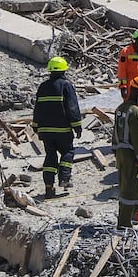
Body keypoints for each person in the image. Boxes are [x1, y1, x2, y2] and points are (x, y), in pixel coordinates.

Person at [32, 56, 83, 199]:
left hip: (45, 131)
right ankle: (65, 178)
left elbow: (38, 109)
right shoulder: (66, 86)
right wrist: (77, 126)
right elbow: (72, 107)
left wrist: (35, 126)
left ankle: (49, 187)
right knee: (68, 151)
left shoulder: (43, 87)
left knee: (50, 156)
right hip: (62, 130)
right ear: (64, 71)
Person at [112, 75, 138, 228]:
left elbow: (114, 133)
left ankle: (125, 219)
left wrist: (116, 152)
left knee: (124, 185)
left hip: (121, 152)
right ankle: (125, 223)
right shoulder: (135, 112)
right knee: (132, 189)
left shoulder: (120, 109)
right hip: (131, 154)